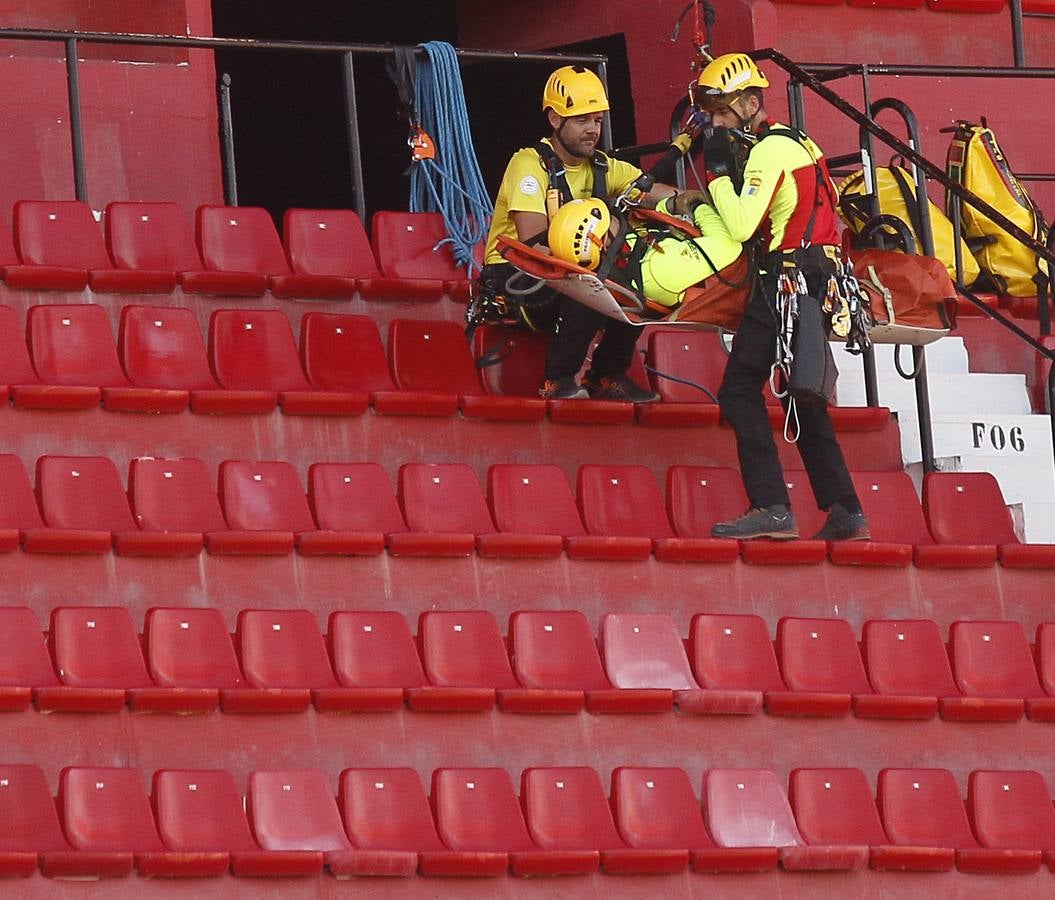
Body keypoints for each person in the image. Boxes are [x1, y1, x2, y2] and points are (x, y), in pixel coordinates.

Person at [694, 52, 871, 542]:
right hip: (816, 279)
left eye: (723, 111)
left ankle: (772, 506)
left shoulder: (769, 151)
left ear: (751, 103)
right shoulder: (801, 142)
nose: (715, 122)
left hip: (785, 282)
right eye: (711, 112)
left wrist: (717, 177)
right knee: (805, 395)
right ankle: (846, 510)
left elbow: (741, 223)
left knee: (738, 390)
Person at [481, 65, 676, 401]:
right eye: (583, 120)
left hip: (569, 273)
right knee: (590, 277)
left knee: (644, 275)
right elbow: (532, 241)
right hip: (516, 274)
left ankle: (606, 377)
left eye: (597, 121)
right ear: (555, 120)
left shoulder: (603, 166)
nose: (593, 130)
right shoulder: (529, 164)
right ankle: (556, 381)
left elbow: (657, 191)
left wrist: (692, 202)